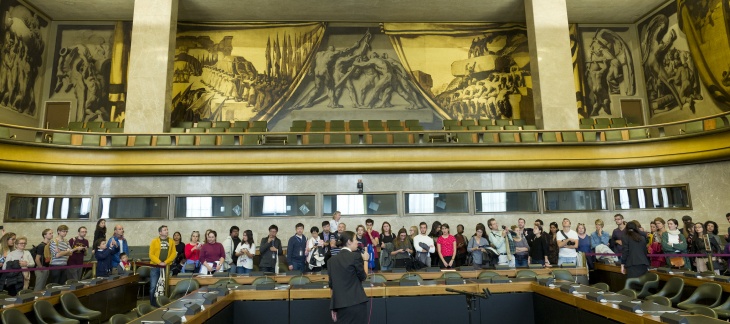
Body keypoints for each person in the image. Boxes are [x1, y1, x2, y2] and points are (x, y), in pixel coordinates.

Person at [328, 230, 369, 324]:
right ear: (349, 242)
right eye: (355, 239)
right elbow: (363, 277)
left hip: (340, 305)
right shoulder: (355, 256)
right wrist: (366, 260)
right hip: (356, 303)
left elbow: (332, 286)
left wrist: (333, 307)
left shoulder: (331, 260)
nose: (357, 242)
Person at [148, 225, 176, 307]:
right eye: (164, 230)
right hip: (155, 266)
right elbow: (151, 254)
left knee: (164, 286)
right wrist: (159, 262)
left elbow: (173, 253)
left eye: (167, 230)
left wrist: (166, 262)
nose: (167, 231)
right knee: (153, 286)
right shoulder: (154, 241)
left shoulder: (171, 241)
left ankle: (163, 303)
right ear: (160, 232)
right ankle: (152, 305)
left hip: (166, 267)